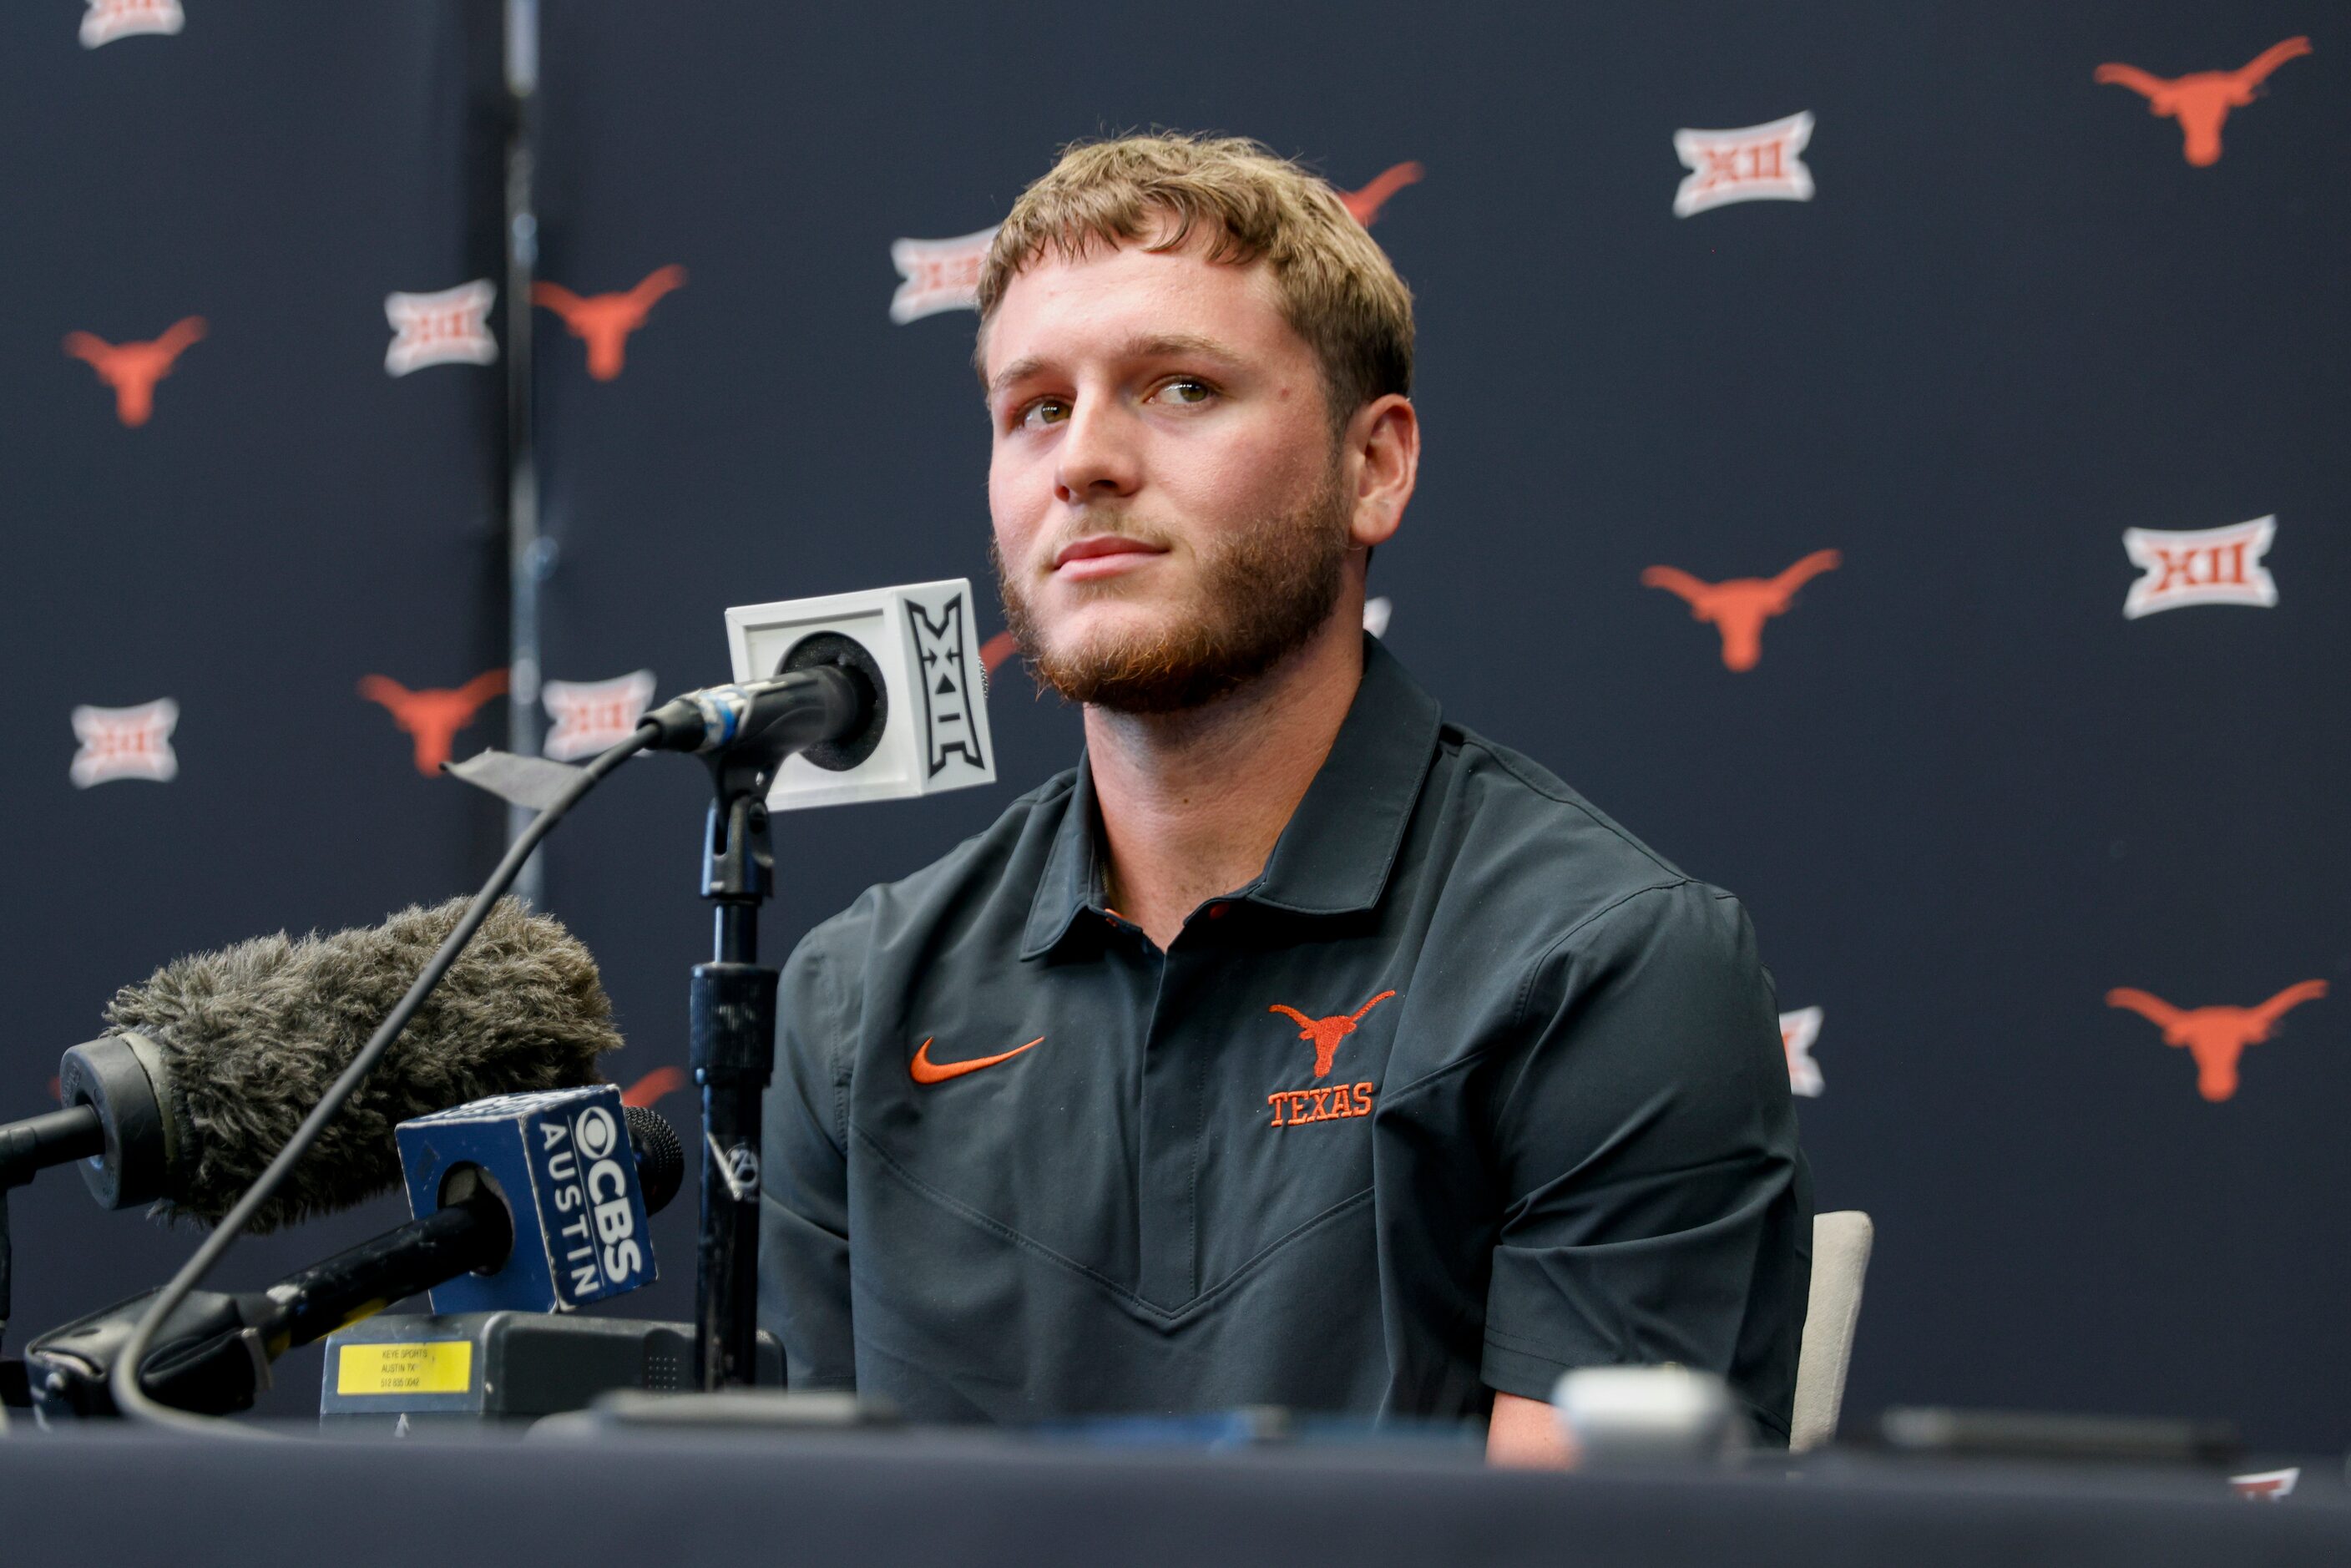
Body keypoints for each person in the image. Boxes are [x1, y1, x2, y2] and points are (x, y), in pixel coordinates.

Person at [760, 134, 1810, 1464]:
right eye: (1034, 407)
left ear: (1375, 465)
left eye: (1179, 387)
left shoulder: (1606, 965)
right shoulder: (853, 1004)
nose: (1084, 459)